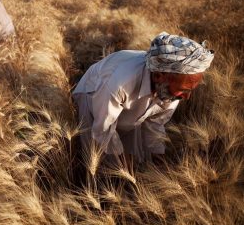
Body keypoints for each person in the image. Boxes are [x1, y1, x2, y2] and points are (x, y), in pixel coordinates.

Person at [72, 32, 214, 167]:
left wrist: (159, 157)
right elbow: (103, 129)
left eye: (190, 90)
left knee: (134, 156)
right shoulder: (119, 83)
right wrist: (121, 161)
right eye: (184, 90)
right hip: (93, 95)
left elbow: (155, 123)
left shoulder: (172, 87)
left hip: (127, 101)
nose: (187, 96)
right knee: (96, 154)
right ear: (159, 76)